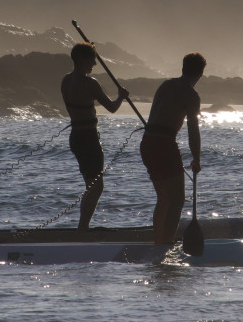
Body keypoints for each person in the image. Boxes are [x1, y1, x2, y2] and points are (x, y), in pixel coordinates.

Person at [60, 42, 131, 229]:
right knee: (96, 187)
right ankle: (83, 227)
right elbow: (112, 108)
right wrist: (121, 96)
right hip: (89, 138)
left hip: (75, 137)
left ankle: (83, 226)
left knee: (91, 185)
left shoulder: (65, 81)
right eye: (92, 60)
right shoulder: (90, 83)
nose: (95, 64)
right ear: (82, 60)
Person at [140, 52, 205, 245]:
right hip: (164, 144)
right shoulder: (191, 95)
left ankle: (159, 241)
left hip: (147, 143)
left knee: (164, 198)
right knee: (177, 200)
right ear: (201, 74)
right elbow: (193, 128)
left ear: (183, 68)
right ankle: (165, 244)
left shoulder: (165, 85)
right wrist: (196, 158)